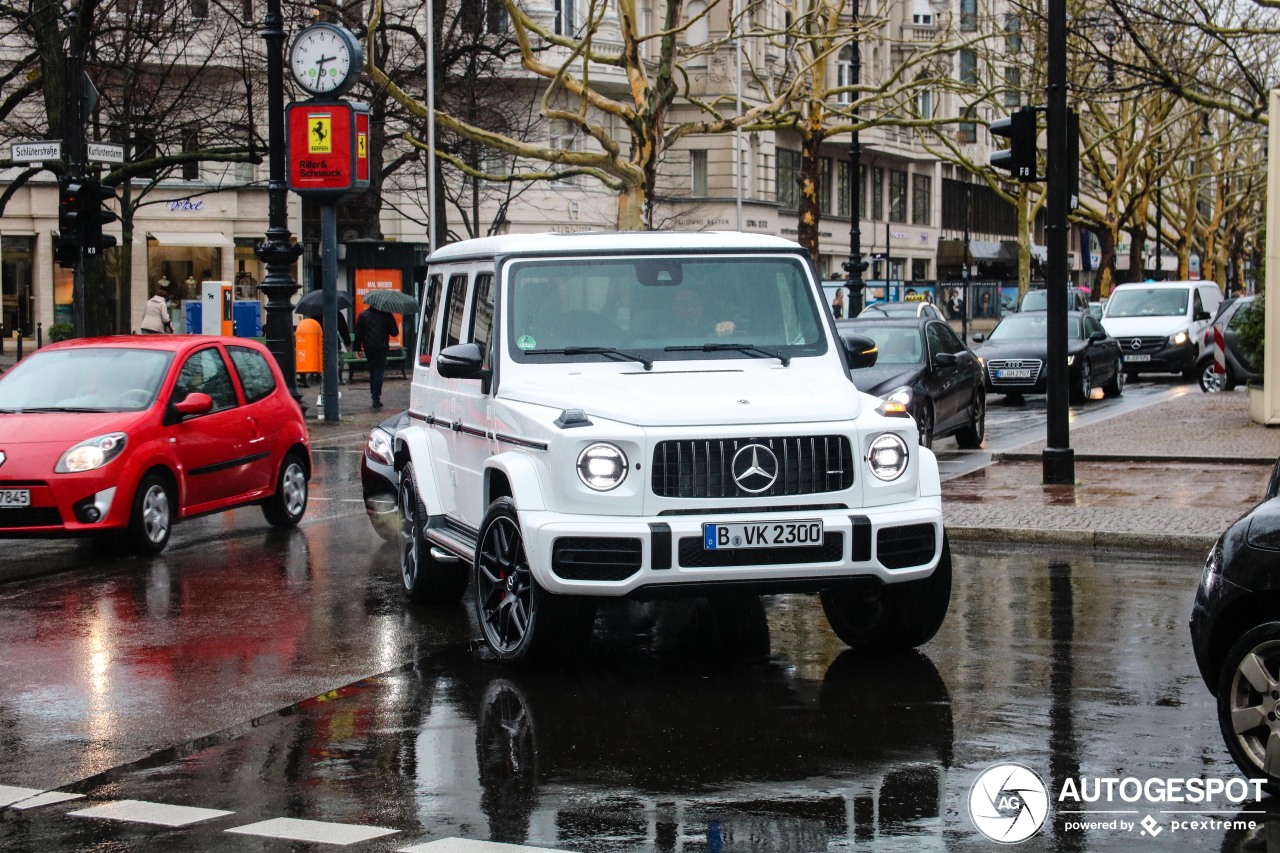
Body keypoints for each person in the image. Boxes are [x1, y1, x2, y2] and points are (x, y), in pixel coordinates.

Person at [353, 305, 398, 408]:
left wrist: (357, 349)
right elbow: (395, 332)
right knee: (379, 371)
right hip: (382, 347)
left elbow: (358, 333)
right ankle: (376, 397)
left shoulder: (363, 315)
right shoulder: (387, 314)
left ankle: (374, 396)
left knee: (373, 370)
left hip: (369, 347)